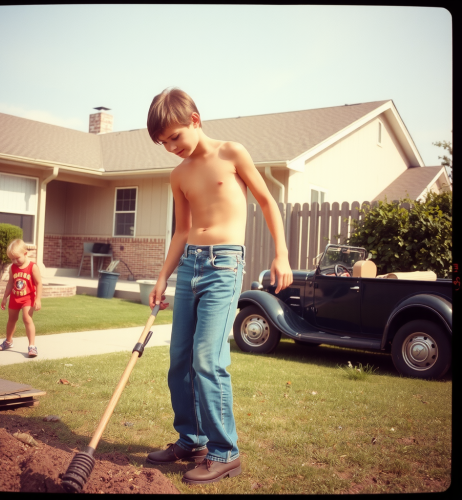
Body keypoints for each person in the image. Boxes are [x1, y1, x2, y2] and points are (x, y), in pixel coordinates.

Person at [145, 88, 293, 485]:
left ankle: (224, 452)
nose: (170, 147)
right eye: (163, 143)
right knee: (180, 359)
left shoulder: (232, 153)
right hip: (190, 264)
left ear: (195, 118)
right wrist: (162, 277)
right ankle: (191, 440)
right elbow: (180, 230)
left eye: (174, 136)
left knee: (207, 360)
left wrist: (281, 254)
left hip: (224, 265)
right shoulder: (178, 175)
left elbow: (266, 201)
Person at [0, 239, 42, 358]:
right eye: (12, 259)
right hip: (14, 298)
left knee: (27, 319)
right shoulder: (13, 268)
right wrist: (4, 297)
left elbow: (39, 283)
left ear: (25, 253)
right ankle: (8, 341)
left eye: (17, 258)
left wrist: (38, 299)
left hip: (28, 298)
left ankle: (32, 346)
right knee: (11, 319)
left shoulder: (33, 267)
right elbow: (10, 283)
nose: (15, 261)